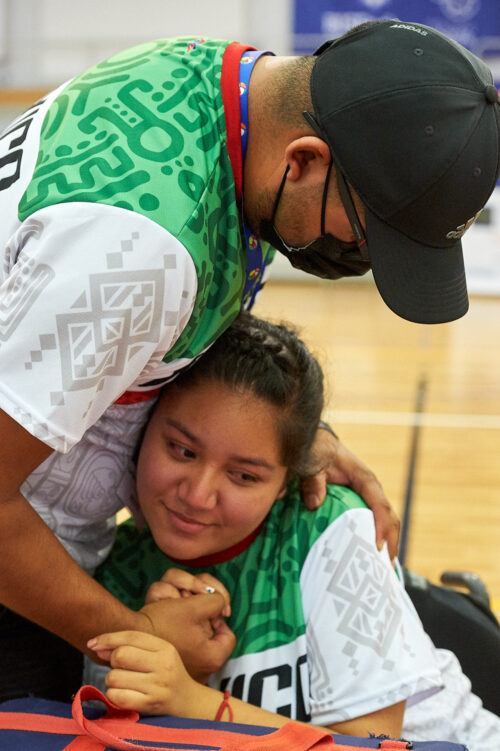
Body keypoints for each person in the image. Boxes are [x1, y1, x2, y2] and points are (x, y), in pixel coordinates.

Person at [0, 18, 498, 699]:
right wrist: (138, 637)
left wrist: (294, 434)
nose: (362, 261)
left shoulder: (213, 84)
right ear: (302, 160)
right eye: (369, 236)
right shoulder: (141, 252)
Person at [86, 312, 500, 749]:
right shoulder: (115, 567)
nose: (198, 495)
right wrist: (188, 671)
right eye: (182, 450)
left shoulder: (331, 529)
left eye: (244, 476)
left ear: (288, 482)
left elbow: (372, 744)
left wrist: (195, 701)